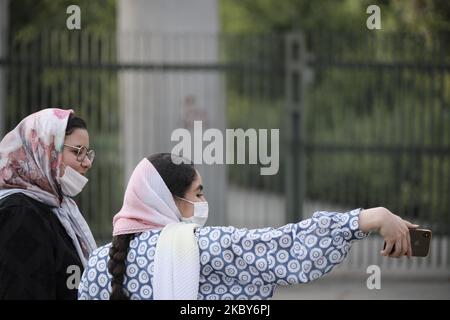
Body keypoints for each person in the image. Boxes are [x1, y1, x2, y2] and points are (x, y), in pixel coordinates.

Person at [78, 153, 418, 300]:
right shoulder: (202, 247)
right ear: (170, 199)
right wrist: (369, 218)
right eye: (198, 193)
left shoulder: (98, 264)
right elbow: (285, 246)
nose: (202, 201)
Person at [0, 108, 97, 299]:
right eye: (78, 152)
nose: (87, 162)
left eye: (88, 153)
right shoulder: (19, 213)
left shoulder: (61, 210)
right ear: (45, 150)